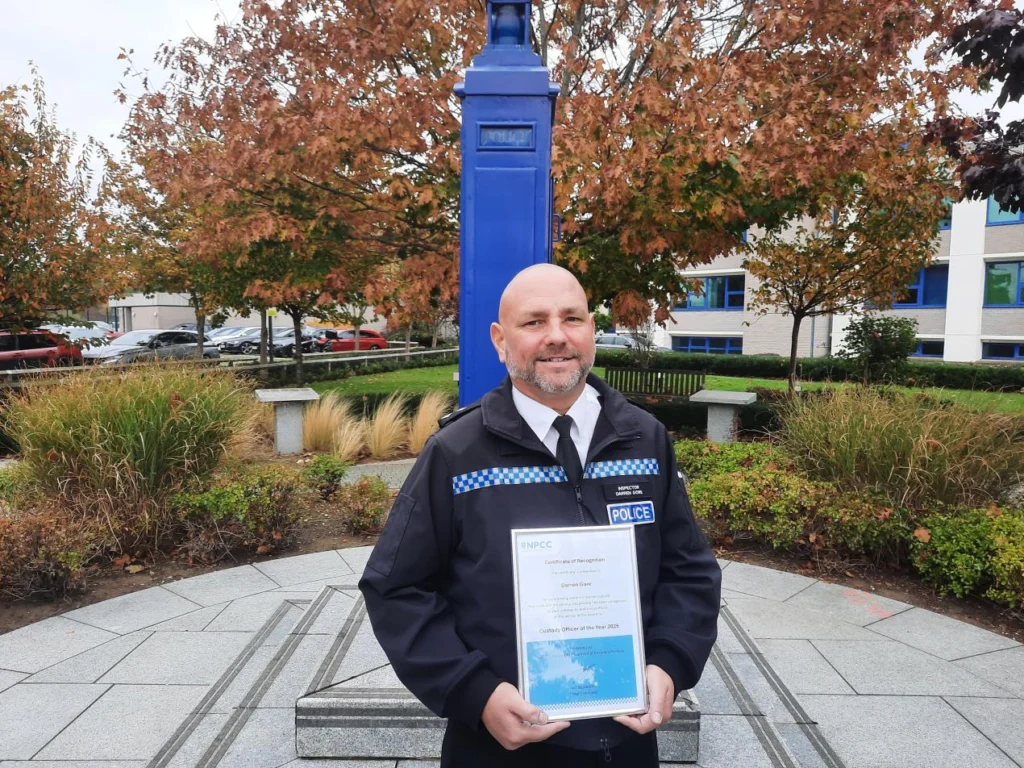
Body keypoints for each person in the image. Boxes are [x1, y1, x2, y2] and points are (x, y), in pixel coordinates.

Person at [360, 264, 721, 767]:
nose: (556, 336)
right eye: (534, 322)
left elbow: (689, 572)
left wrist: (669, 662)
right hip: (499, 746)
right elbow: (396, 588)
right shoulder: (457, 454)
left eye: (572, 318)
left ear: (591, 329)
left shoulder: (645, 439)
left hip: (625, 742)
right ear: (500, 340)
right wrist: (474, 692)